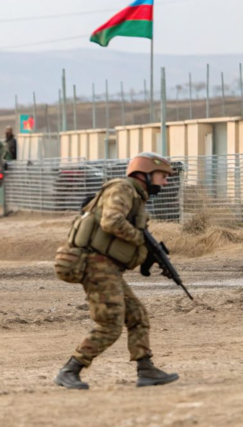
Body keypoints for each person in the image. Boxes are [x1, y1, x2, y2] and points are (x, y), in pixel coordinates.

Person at [54, 153, 179, 390]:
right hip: (95, 265)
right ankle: (70, 369)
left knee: (137, 316)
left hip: (107, 267)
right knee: (110, 325)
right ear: (145, 174)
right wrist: (140, 241)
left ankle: (146, 369)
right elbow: (111, 222)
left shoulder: (135, 196)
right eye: (163, 176)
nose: (165, 182)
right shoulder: (123, 189)